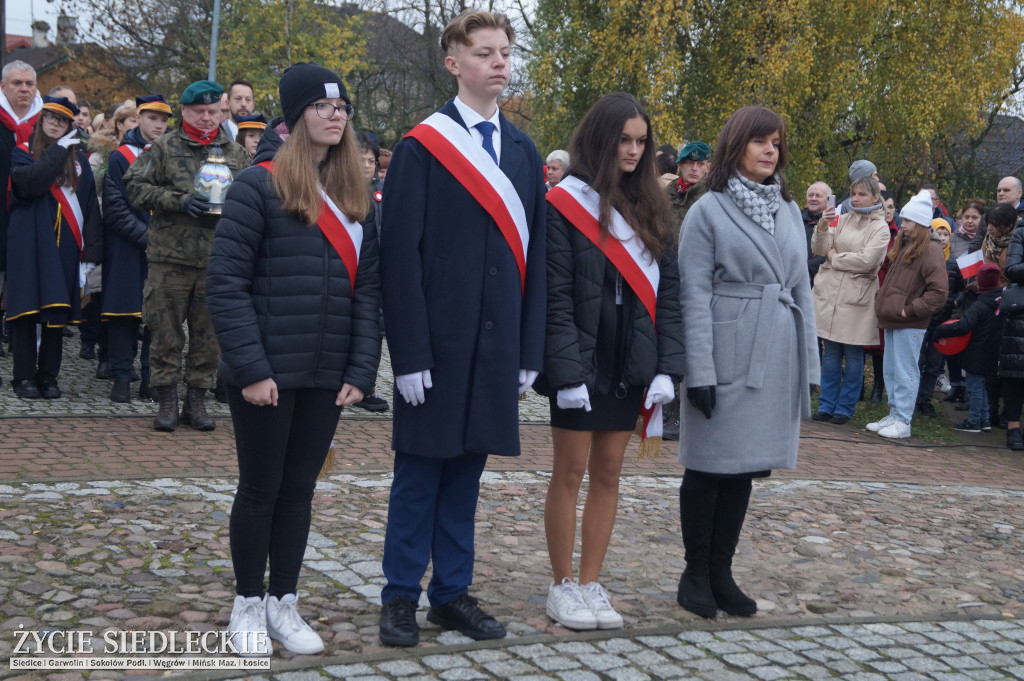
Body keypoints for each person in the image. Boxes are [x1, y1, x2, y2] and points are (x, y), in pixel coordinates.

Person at [377, 9, 546, 647]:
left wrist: (529, 349)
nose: (499, 62)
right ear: (454, 62)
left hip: (496, 345)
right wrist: (410, 353)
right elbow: (400, 256)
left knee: (467, 474)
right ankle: (399, 595)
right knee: (419, 474)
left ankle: (450, 592)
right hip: (437, 348)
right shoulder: (423, 147)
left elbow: (538, 259)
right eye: (484, 53)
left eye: (505, 51)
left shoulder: (526, 152)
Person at [207, 61, 381, 657]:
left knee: (299, 491)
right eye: (323, 106)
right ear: (296, 115)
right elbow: (225, 284)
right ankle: (248, 603)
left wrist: (360, 370)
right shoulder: (257, 185)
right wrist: (252, 369)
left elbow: (370, 290)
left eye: (343, 108)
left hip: (326, 373)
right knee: (261, 488)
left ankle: (284, 600)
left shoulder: (357, 196)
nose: (336, 116)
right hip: (267, 374)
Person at [540, 93, 684, 631]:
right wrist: (565, 372)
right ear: (601, 139)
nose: (633, 149)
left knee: (608, 473)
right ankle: (561, 585)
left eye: (641, 141)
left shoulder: (651, 205)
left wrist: (668, 366)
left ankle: (592, 582)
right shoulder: (563, 203)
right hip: (582, 359)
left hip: (631, 362)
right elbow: (553, 294)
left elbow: (669, 295)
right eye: (624, 139)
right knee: (569, 473)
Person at [676, 106, 819, 619]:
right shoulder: (706, 210)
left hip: (774, 348)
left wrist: (809, 366)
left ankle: (721, 570)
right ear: (735, 144)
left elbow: (800, 286)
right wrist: (700, 369)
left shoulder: (787, 209)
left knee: (743, 469)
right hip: (725, 345)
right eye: (760, 141)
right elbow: (691, 292)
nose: (769, 151)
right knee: (708, 465)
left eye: (776, 143)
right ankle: (694, 572)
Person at [125, 80, 250, 432]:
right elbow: (134, 187)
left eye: (214, 112)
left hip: (217, 260)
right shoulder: (164, 147)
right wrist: (178, 201)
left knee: (208, 336)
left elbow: (252, 196)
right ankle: (166, 399)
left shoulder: (236, 153)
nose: (208, 118)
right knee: (164, 332)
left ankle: (197, 400)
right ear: (185, 111)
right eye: (200, 112)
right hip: (170, 259)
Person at [6, 96, 103, 398]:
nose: (56, 123)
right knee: (25, 311)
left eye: (63, 120)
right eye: (51, 116)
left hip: (64, 245)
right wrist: (58, 151)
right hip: (29, 244)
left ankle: (48, 376)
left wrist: (91, 256)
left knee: (56, 314)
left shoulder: (80, 162)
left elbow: (89, 209)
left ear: (69, 125)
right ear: (41, 118)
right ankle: (23, 377)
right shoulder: (22, 153)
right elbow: (31, 184)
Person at [101, 95, 172, 403]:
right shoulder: (120, 157)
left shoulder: (171, 156)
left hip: (163, 248)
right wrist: (148, 238)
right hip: (127, 246)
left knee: (157, 317)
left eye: (163, 119)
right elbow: (115, 209)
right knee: (124, 314)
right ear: (139, 118)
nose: (158, 124)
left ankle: (150, 378)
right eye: (152, 118)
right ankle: (120, 376)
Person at [810, 174, 889, 424]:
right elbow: (820, 248)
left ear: (875, 197)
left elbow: (868, 261)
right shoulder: (841, 218)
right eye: (853, 193)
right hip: (830, 292)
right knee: (831, 351)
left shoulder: (880, 227)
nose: (855, 198)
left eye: (862, 194)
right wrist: (822, 227)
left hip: (857, 296)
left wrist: (835, 259)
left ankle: (845, 408)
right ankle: (826, 405)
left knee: (853, 353)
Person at [869, 190, 948, 439]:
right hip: (894, 317)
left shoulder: (931, 250)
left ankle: (903, 420)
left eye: (908, 221)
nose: (903, 225)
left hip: (909, 320)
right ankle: (895, 414)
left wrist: (910, 310)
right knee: (892, 370)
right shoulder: (906, 245)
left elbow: (938, 292)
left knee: (905, 370)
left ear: (921, 223)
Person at [932, 263, 1002, 433]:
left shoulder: (980, 305)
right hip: (993, 351)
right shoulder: (1000, 300)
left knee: (975, 387)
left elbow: (963, 326)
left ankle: (974, 421)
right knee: (983, 387)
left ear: (981, 281)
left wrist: (939, 330)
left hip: (977, 352)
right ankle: (984, 420)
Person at [351, 130, 389, 413]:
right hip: (349, 270)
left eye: (371, 160)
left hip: (376, 272)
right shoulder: (341, 189)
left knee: (373, 330)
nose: (367, 165)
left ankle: (367, 385)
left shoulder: (384, 193)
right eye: (361, 159)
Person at [0, 60, 43, 305]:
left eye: (30, 83)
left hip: (30, 213)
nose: (24, 88)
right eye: (17, 83)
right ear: (3, 87)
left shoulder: (47, 123)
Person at [1000, 216, 1024, 451]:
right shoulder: (1021, 232)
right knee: (1016, 374)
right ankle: (1013, 427)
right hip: (1021, 316)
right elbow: (1012, 269)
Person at [666, 141, 710, 233]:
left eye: (700, 164)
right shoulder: (666, 194)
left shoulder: (711, 198)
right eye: (690, 162)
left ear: (707, 168)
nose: (694, 168)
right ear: (680, 165)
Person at [802, 181, 830, 285]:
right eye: (810, 195)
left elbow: (829, 252)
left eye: (818, 196)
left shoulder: (835, 222)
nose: (813, 198)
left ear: (828, 200)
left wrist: (808, 268)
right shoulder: (795, 220)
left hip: (821, 280)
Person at [949, 198, 985, 263]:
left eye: (974, 218)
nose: (970, 221)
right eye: (966, 217)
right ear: (962, 217)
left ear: (982, 218)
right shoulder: (950, 238)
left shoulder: (987, 240)